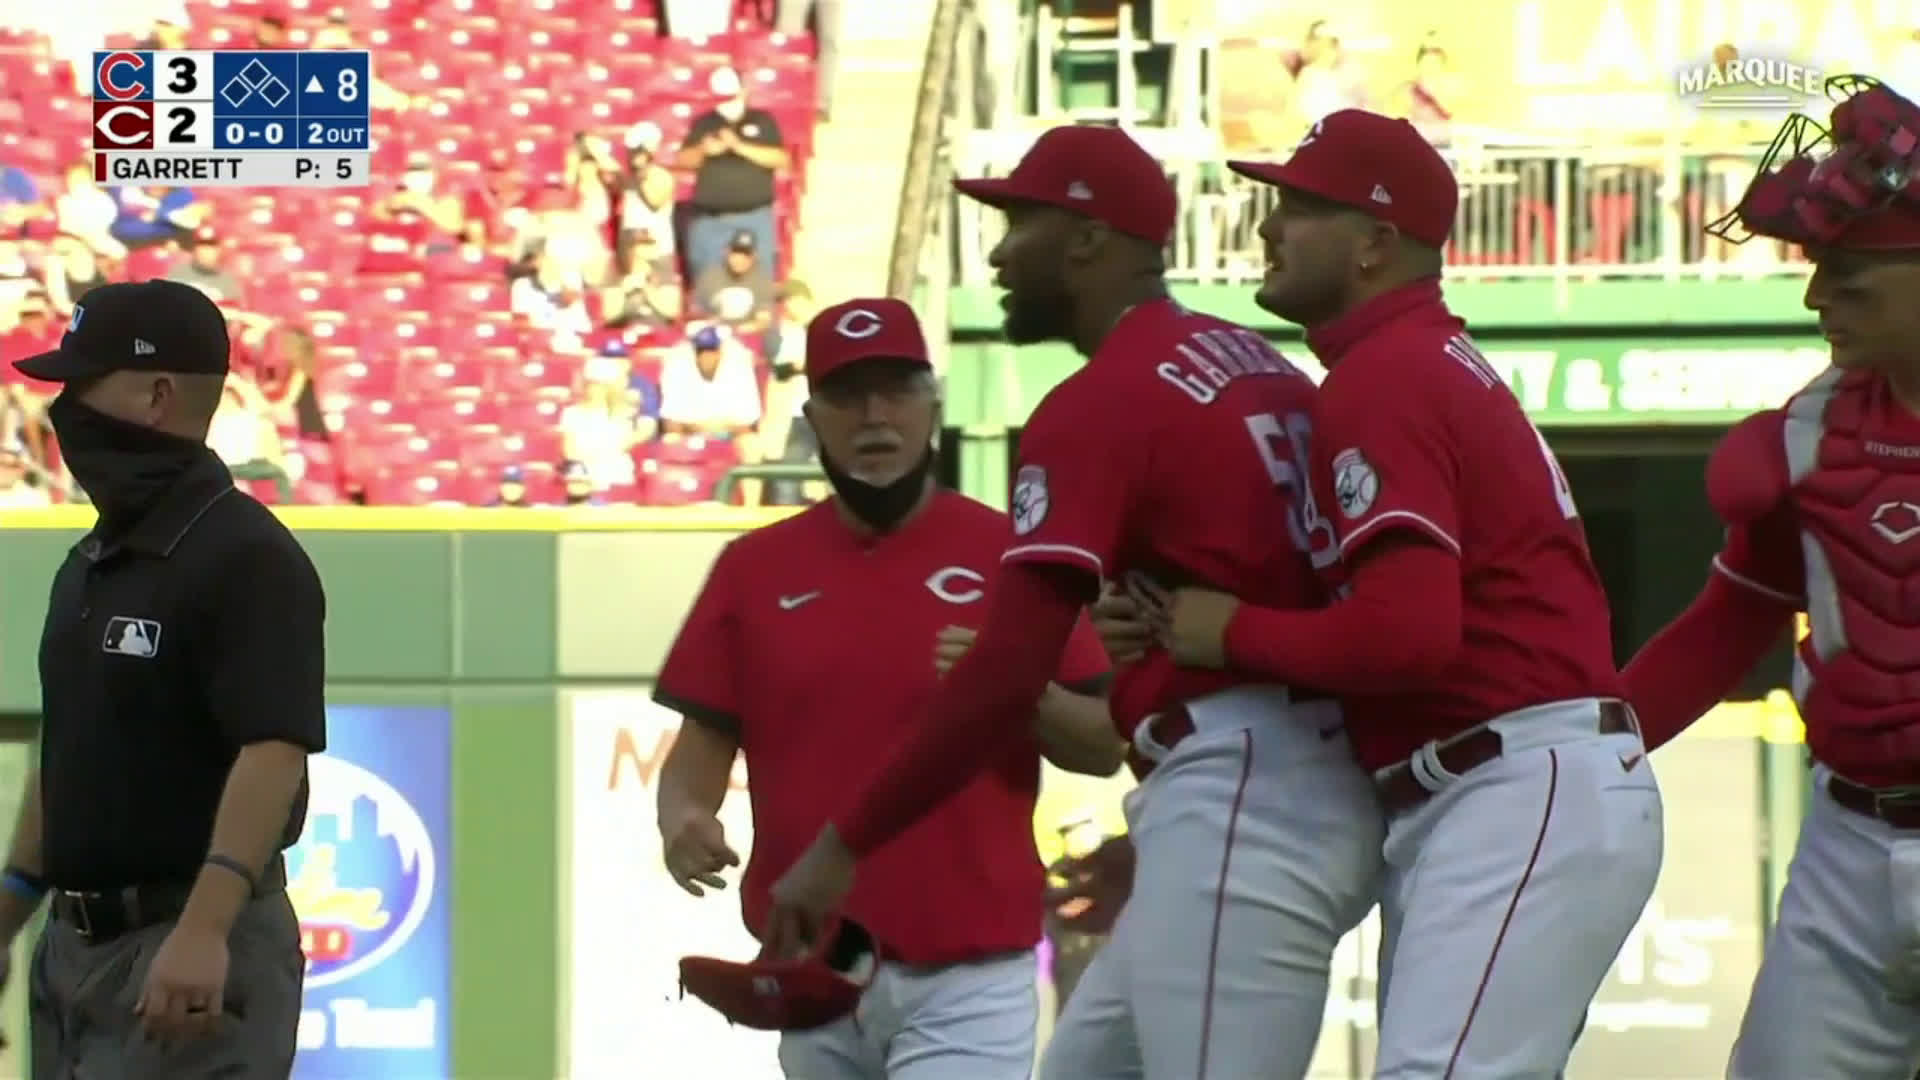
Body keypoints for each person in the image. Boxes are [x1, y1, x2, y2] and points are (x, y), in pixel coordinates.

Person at [765, 125, 1386, 1080]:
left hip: (1247, 786)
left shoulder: (1102, 400)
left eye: (1020, 222)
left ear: (1089, 240)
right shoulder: (1250, 357)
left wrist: (843, 846)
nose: (1001, 251)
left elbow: (1004, 671)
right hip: (1286, 761)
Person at [1138, 108, 1661, 1076]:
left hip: (1517, 782)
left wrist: (1233, 633)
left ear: (1376, 242)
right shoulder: (1415, 362)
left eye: (1301, 207)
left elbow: (1409, 638)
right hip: (1502, 783)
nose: (1268, 225)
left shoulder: (1387, 377)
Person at [652, 296, 1121, 1079]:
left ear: (933, 401)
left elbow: (1104, 743)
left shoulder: (1010, 552)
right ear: (812, 415)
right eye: (848, 394)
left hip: (967, 973)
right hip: (812, 971)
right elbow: (699, 751)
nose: (875, 415)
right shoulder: (753, 569)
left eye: (896, 389)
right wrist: (682, 817)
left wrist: (1011, 688)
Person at [1623, 76, 1920, 1079]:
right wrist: (1587, 745)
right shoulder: (1808, 433)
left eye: (1845, 274)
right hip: (1848, 840)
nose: (1815, 298)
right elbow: (1724, 624)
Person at [2, 279, 323, 1077]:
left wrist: (206, 929)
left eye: (83, 384)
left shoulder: (244, 554)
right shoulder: (91, 562)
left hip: (187, 942)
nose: (65, 409)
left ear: (156, 394)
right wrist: (8, 916)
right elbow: (68, 754)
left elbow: (274, 753)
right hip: (73, 950)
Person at [676, 66, 788, 280]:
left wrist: (738, 146)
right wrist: (704, 149)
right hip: (710, 221)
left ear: (743, 92)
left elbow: (780, 159)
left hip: (754, 218)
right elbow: (683, 160)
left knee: (758, 285)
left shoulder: (762, 121)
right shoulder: (704, 124)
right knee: (708, 283)